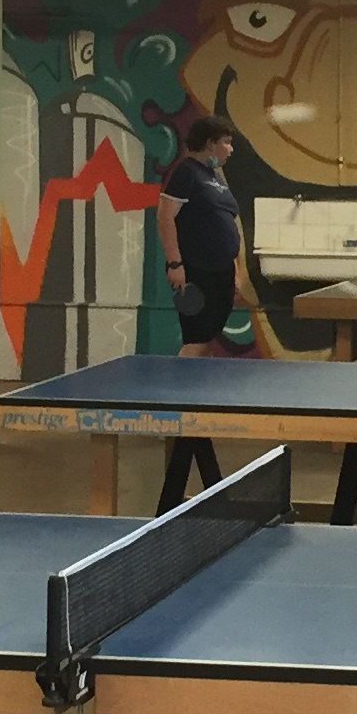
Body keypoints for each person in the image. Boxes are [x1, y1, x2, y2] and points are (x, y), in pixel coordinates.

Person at [154, 116, 243, 510]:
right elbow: (165, 217)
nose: (230, 149)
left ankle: (191, 411)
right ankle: (175, 416)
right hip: (196, 273)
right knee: (195, 340)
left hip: (220, 274)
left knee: (205, 342)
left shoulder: (215, 178)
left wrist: (235, 269)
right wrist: (175, 264)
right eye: (226, 142)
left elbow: (224, 223)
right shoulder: (186, 173)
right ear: (209, 142)